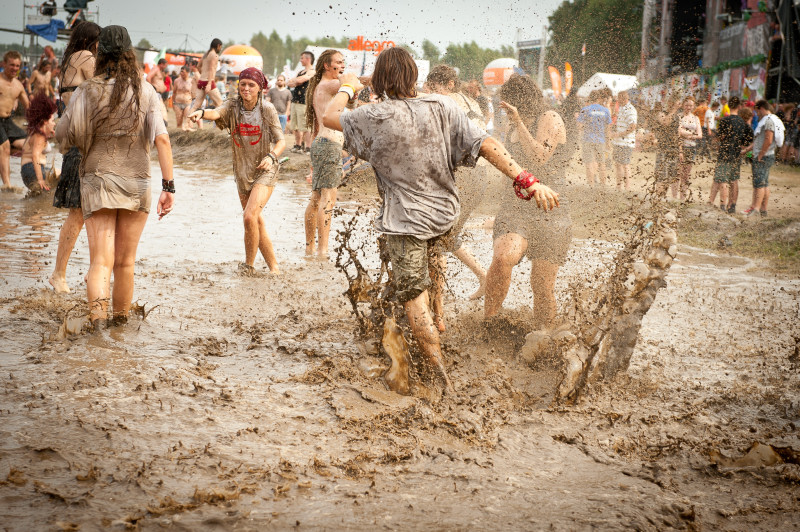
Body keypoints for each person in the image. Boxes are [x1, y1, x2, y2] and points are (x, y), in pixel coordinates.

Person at [322, 47, 560, 390]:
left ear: (380, 80)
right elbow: (487, 144)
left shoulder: (373, 114)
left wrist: (346, 86)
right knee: (432, 265)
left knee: (413, 299)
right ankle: (440, 318)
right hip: (446, 214)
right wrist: (529, 181)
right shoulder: (443, 105)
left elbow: (330, 117)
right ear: (416, 77)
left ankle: (439, 377)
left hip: (405, 224)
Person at [55, 25, 175, 326]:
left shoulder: (87, 90)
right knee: (125, 263)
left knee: (100, 262)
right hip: (137, 181)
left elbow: (64, 137)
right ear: (129, 53)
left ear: (100, 54)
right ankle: (120, 328)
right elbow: (161, 139)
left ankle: (97, 330)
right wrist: (168, 186)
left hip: (98, 180)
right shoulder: (146, 90)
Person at [485, 74, 572, 330]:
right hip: (516, 207)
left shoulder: (550, 118)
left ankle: (543, 337)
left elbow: (539, 156)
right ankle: (489, 323)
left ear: (521, 100)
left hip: (551, 208)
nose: (507, 110)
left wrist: (519, 122)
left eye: (509, 103)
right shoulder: (514, 126)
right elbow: (509, 167)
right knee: (503, 257)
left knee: (542, 286)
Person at [188, 67, 285, 273]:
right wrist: (202, 113)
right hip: (242, 171)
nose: (246, 88)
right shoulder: (233, 106)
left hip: (265, 169)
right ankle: (274, 267)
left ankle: (248, 266)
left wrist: (271, 156)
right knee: (255, 220)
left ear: (260, 88)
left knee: (249, 216)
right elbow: (217, 112)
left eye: (251, 85)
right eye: (243, 84)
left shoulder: (267, 109)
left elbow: (281, 142)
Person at [426, 64, 491, 320]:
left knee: (437, 240)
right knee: (447, 236)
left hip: (464, 175)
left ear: (449, 85)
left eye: (435, 87)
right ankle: (483, 276)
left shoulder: (447, 99)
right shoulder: (471, 101)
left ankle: (436, 307)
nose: (432, 92)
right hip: (480, 175)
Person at [49, 20, 100, 293]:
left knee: (89, 212)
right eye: (98, 40)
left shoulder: (70, 58)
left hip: (77, 138)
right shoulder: (86, 57)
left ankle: (93, 271)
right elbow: (103, 85)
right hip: (81, 142)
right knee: (79, 212)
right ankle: (59, 274)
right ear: (91, 40)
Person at [303, 50, 346, 258]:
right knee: (328, 199)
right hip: (328, 145)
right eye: (338, 62)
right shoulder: (330, 84)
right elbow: (357, 82)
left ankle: (310, 248)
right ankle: (323, 251)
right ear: (327, 66)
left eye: (343, 62)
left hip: (320, 143)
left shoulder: (319, 86)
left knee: (316, 197)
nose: (342, 65)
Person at [709, 97, 751, 213]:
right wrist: (745, 153)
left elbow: (719, 138)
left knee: (721, 179)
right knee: (734, 180)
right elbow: (747, 142)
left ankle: (722, 205)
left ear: (729, 105)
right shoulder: (743, 123)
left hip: (724, 153)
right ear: (739, 107)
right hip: (736, 154)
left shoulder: (724, 120)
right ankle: (732, 206)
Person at [742, 100, 779, 217]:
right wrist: (746, 150)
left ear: (761, 108)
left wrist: (760, 155)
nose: (756, 114)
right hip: (763, 154)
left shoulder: (768, 120)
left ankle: (756, 208)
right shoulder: (771, 119)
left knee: (759, 184)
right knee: (764, 183)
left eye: (757, 111)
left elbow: (768, 139)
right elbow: (758, 141)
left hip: (762, 156)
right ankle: (763, 209)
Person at [0, 50, 30, 188]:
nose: (15, 69)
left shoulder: (18, 85)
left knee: (28, 144)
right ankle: (8, 186)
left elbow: (28, 107)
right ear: (4, 64)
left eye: (17, 66)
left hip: (8, 121)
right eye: (12, 65)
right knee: (5, 146)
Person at [20, 94, 56, 192]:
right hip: (33, 170)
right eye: (52, 120)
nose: (54, 123)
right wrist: (40, 179)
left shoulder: (35, 132)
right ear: (45, 121)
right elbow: (35, 155)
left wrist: (49, 135)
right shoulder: (39, 136)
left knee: (58, 173)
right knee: (62, 178)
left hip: (27, 171)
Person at [576, 90, 611, 186]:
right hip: (601, 140)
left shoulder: (585, 109)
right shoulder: (605, 110)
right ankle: (603, 185)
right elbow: (608, 129)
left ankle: (591, 185)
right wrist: (608, 143)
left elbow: (579, 126)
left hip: (587, 139)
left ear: (590, 98)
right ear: (599, 98)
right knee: (601, 163)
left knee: (589, 163)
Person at [653, 96, 681, 197]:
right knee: (661, 176)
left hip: (674, 150)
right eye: (675, 104)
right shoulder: (662, 114)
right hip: (663, 149)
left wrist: (680, 151)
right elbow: (665, 123)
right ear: (670, 103)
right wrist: (673, 110)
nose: (677, 106)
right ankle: (658, 198)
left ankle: (662, 197)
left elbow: (678, 134)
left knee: (670, 177)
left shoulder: (677, 116)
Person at [287, 51, 315, 153]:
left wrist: (295, 80)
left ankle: (308, 147)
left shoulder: (312, 71)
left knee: (306, 126)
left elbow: (299, 81)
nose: (300, 60)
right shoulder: (301, 72)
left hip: (304, 102)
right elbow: (289, 83)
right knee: (295, 125)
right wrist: (295, 80)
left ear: (308, 59)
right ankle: (298, 145)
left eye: (302, 58)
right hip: (295, 101)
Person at [676, 96, 702, 201]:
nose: (689, 107)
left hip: (692, 148)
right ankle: (674, 197)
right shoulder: (679, 116)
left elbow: (700, 135)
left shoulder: (696, 118)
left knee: (686, 175)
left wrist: (687, 134)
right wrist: (692, 134)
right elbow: (679, 131)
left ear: (694, 106)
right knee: (677, 173)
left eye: (691, 105)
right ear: (683, 105)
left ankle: (683, 197)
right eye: (687, 105)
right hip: (681, 147)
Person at [188, 39, 224, 115]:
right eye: (220, 47)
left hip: (201, 81)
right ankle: (219, 125)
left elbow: (198, 66)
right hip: (209, 82)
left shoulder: (206, 54)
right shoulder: (214, 55)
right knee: (220, 103)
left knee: (196, 105)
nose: (220, 49)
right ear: (218, 46)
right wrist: (209, 83)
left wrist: (203, 74)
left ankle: (186, 124)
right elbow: (211, 69)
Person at [610, 90, 636, 190]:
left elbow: (633, 126)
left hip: (626, 142)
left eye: (618, 99)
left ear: (624, 99)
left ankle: (627, 187)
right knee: (618, 164)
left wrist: (619, 134)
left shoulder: (630, 109)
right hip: (619, 142)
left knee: (625, 165)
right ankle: (618, 186)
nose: (617, 101)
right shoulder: (621, 108)